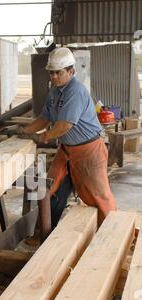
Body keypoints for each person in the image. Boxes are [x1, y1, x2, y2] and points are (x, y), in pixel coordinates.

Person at [20, 47, 116, 227]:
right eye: (51, 73)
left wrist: (44, 137)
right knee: (50, 188)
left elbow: (65, 125)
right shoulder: (55, 91)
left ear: (71, 71)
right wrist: (24, 131)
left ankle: (114, 233)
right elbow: (44, 118)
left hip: (89, 151)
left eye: (58, 72)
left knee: (99, 195)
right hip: (66, 151)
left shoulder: (76, 91)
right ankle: (46, 231)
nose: (54, 76)